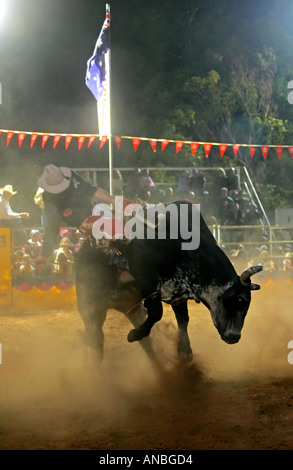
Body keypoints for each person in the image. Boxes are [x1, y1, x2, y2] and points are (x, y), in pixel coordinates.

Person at [35, 164, 133, 265]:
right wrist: (45, 254)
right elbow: (52, 227)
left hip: (94, 212)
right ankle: (124, 264)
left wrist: (115, 201)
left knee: (123, 226)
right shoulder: (49, 199)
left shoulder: (72, 176)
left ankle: (125, 260)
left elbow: (91, 189)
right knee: (117, 231)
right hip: (84, 222)